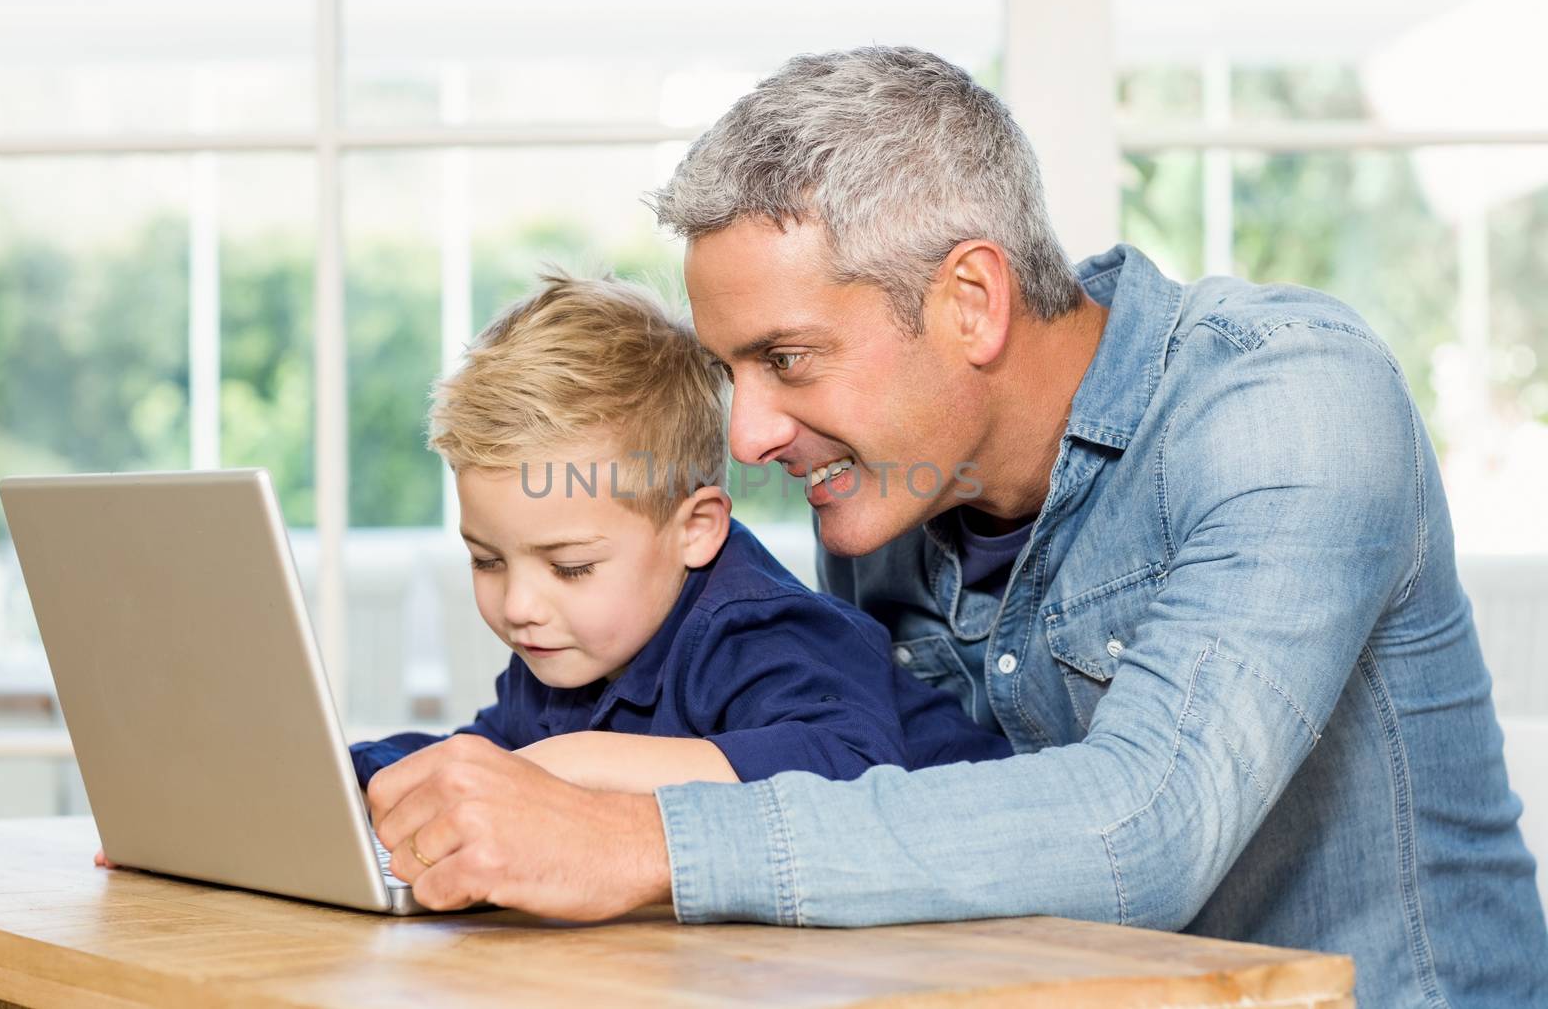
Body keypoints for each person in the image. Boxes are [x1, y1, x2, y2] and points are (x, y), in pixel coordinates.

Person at [362, 49, 1548, 1007]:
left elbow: (1143, 826)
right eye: (734, 370)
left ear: (969, 299)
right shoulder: (883, 489)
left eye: (785, 359)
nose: (752, 432)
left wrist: (636, 840)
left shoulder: (1286, 402)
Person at [347, 270, 1012, 796]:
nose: (518, 605)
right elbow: (487, 758)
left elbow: (850, 763)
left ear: (695, 530)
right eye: (487, 561)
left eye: (570, 566)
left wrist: (574, 761)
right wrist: (351, 772)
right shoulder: (568, 649)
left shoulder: (762, 631)